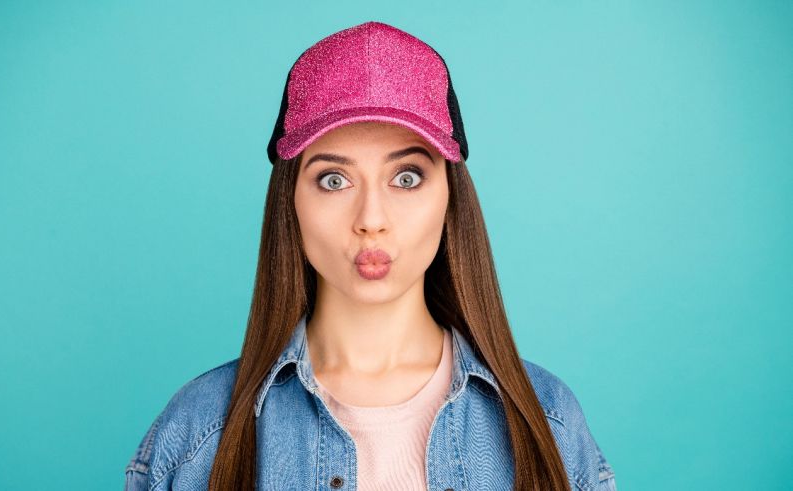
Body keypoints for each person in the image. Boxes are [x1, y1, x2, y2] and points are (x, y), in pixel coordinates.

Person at [124, 21, 616, 491]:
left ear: (450, 197)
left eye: (406, 177)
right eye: (333, 180)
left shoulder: (548, 421)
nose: (371, 218)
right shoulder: (197, 435)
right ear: (290, 202)